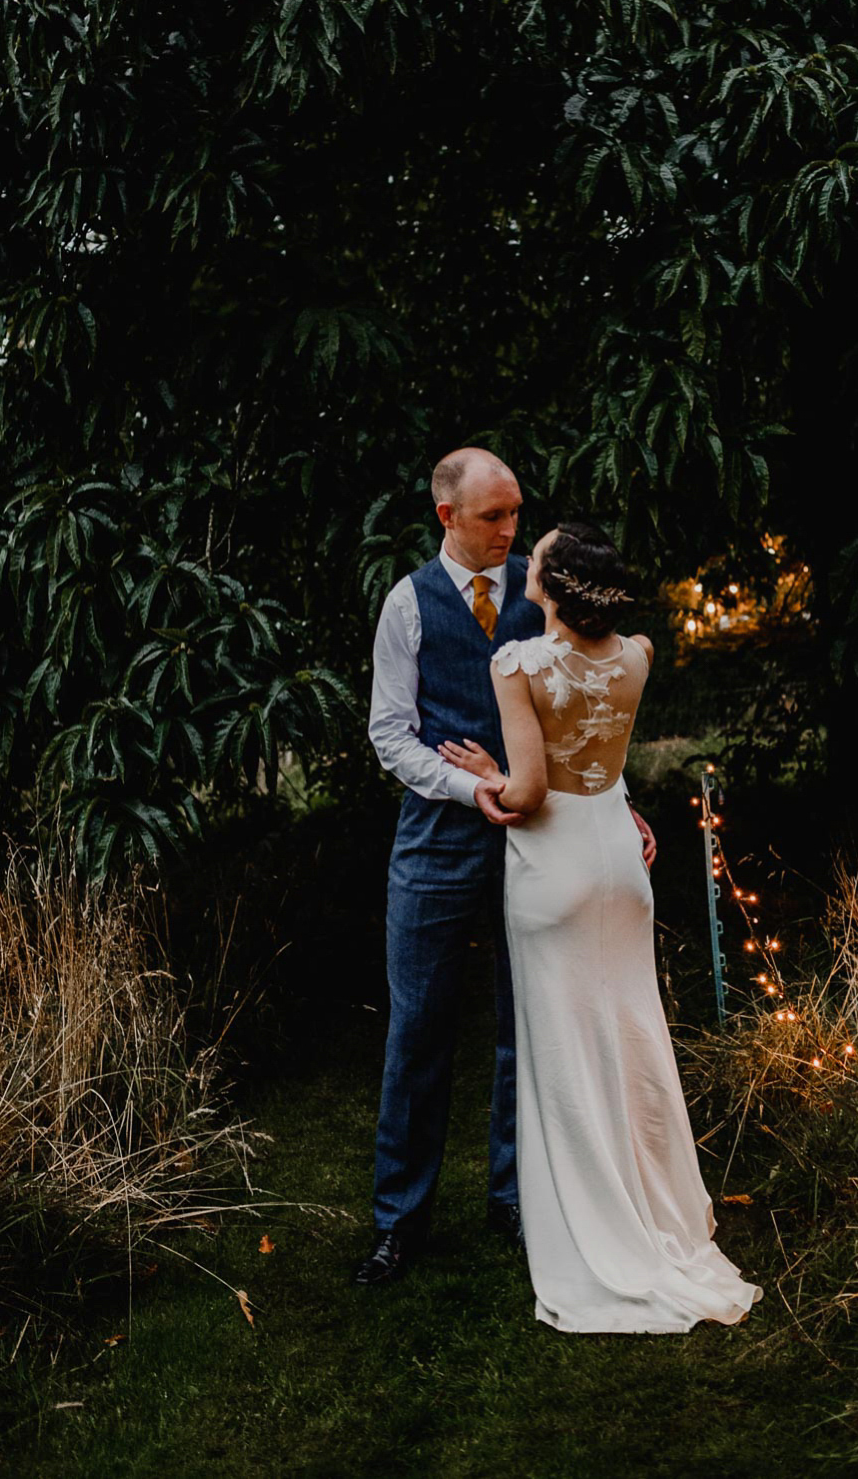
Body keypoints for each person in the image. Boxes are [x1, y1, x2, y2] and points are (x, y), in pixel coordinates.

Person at [438, 522, 762, 1333]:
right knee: (632, 1032)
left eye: (535, 556)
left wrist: (486, 775)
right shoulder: (640, 654)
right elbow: (600, 766)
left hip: (554, 869)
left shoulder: (515, 664)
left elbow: (533, 792)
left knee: (566, 1050)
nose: (525, 562)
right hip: (621, 857)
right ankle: (662, 1212)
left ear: (552, 583)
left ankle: (601, 1231)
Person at [355, 453, 656, 1288]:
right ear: (446, 515)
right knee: (418, 1028)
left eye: (518, 513)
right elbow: (389, 733)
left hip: (548, 838)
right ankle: (398, 1221)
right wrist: (473, 784)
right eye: (494, 517)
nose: (512, 531)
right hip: (437, 842)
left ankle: (520, 1193)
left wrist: (617, 802)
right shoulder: (406, 604)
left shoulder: (546, 591)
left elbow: (589, 711)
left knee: (530, 1022)